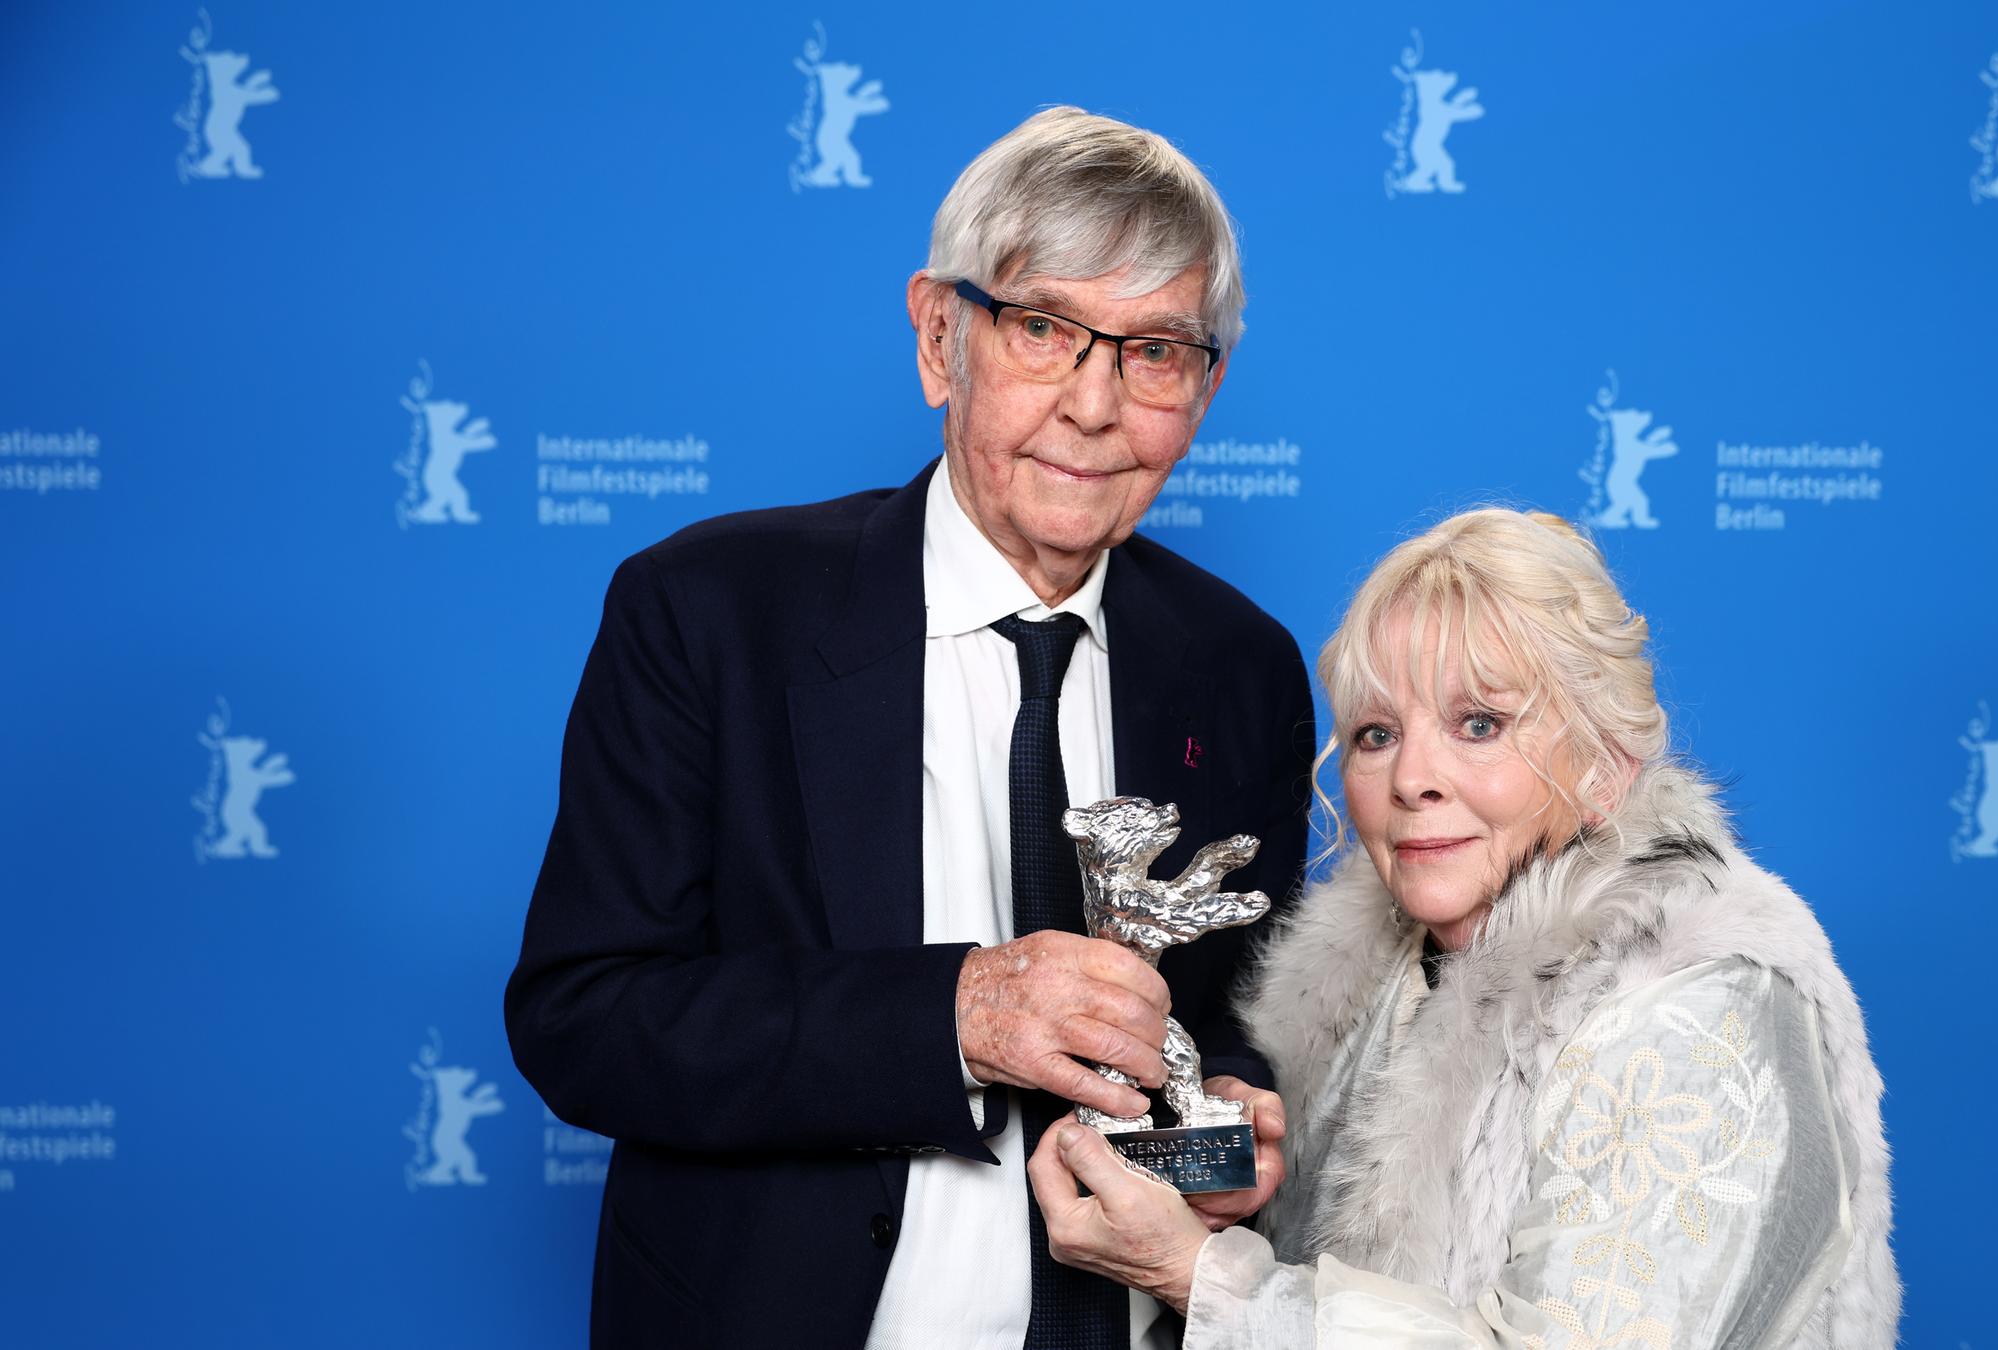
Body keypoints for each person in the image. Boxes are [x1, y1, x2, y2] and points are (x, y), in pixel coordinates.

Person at [504, 107, 1313, 1350]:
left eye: (1154, 351)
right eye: (1043, 329)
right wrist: (956, 1017)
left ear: (1203, 391)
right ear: (941, 339)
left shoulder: (1241, 665)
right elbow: (587, 1019)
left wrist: (1235, 1124)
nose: (1095, 404)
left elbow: (1233, 1013)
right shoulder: (710, 612)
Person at [1030, 509, 1900, 1347]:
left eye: (1479, 724)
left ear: (1606, 761)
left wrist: (1209, 1282)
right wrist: (1222, 1181)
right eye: (1376, 733)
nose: (1412, 778)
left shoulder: (1701, 1001)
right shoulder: (1372, 972)